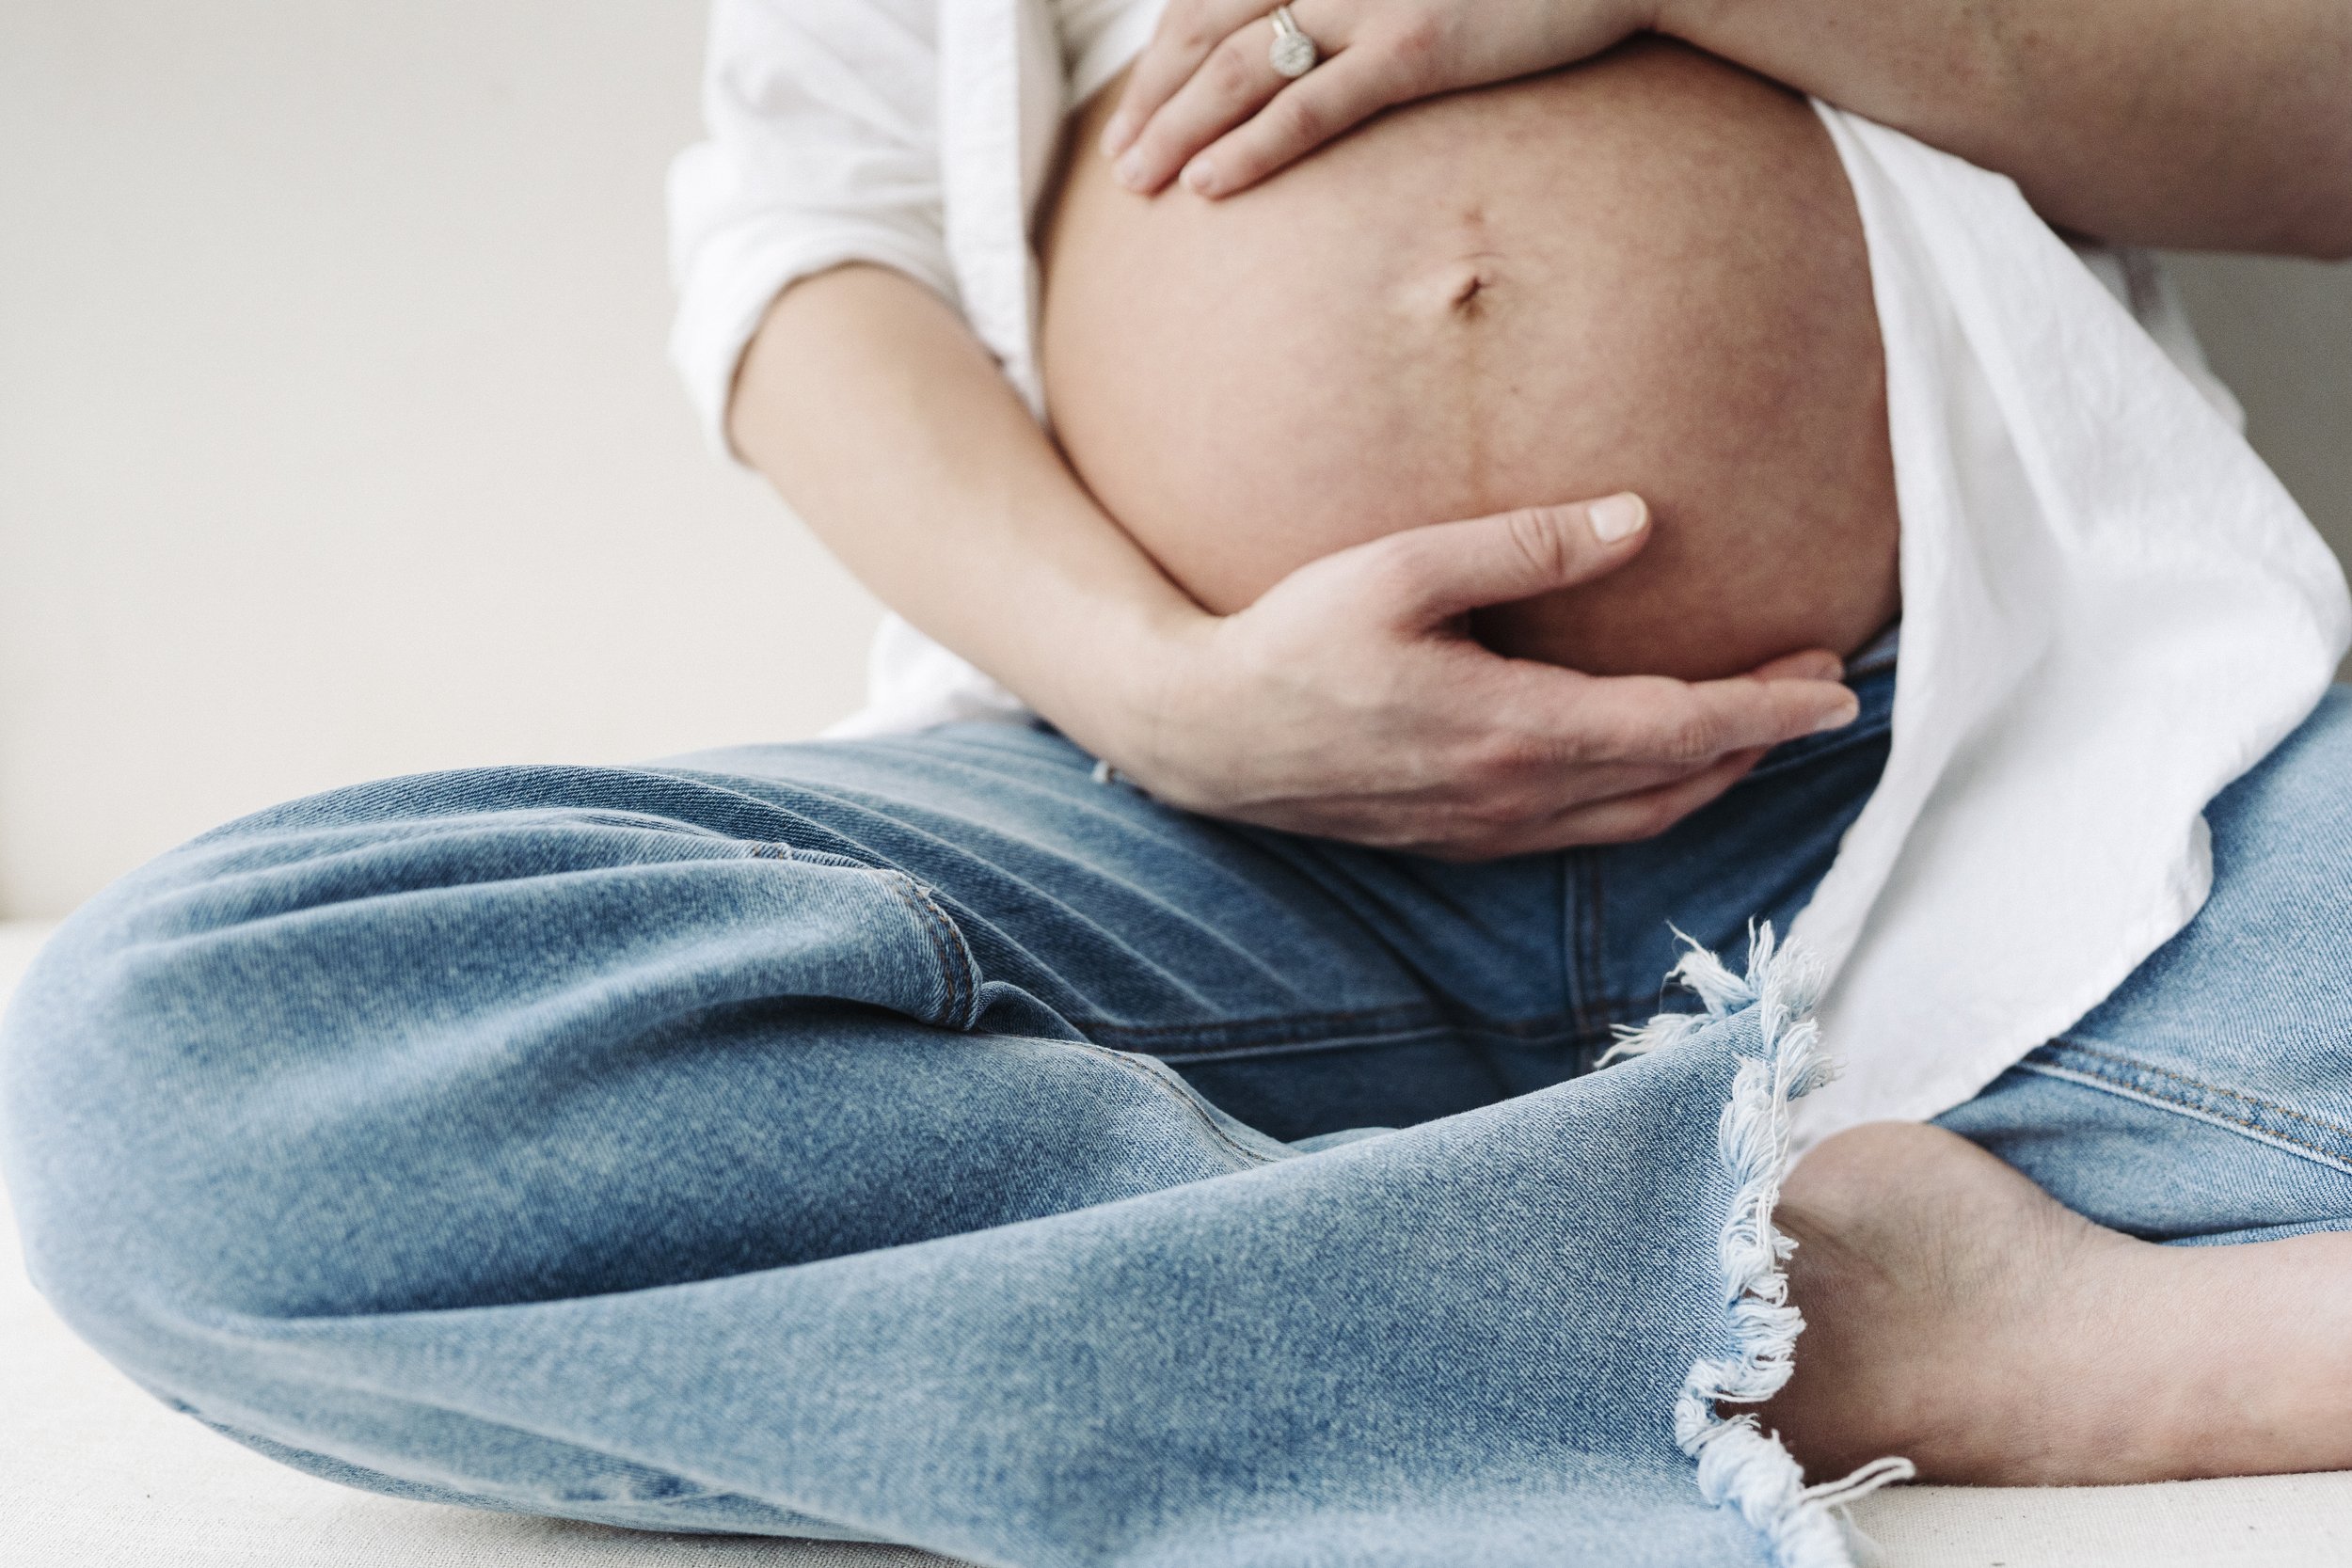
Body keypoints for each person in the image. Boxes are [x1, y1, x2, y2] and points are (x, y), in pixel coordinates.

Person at [4, 4, 2351, 1567]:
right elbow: (812, 247)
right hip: (1176, 864)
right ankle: (1850, 1311)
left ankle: (1336, 1267)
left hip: (2008, 807)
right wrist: (1162, 691)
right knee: (180, 1068)